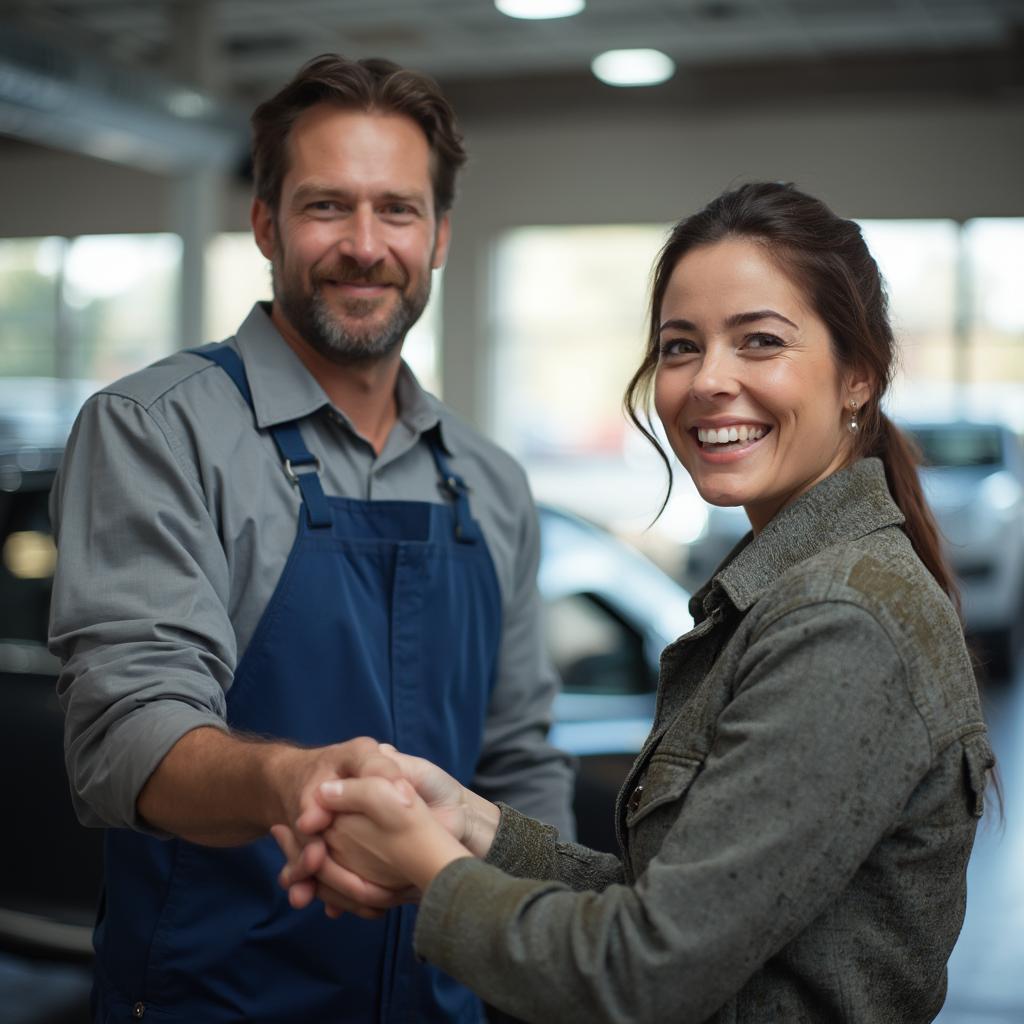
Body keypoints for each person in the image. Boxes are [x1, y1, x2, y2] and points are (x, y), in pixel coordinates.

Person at [276, 182, 997, 1024]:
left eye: (760, 341)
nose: (708, 381)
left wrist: (429, 866)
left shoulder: (842, 621)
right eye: (681, 347)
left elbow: (645, 975)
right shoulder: (791, 590)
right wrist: (470, 824)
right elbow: (674, 912)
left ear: (858, 377)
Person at [48, 54, 574, 1023]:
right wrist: (298, 779)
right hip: (212, 1002)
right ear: (265, 224)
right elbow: (125, 737)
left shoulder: (490, 481)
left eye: (398, 210)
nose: (364, 245)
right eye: (327, 206)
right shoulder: (156, 430)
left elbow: (518, 762)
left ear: (441, 235)